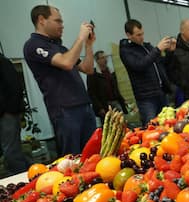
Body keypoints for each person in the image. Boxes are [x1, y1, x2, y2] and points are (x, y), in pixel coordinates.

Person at [23, 5, 97, 157]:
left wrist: (88, 46)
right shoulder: (33, 45)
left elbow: (88, 69)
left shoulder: (60, 47)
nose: (62, 25)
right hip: (65, 110)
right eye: (58, 21)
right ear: (41, 20)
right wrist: (80, 37)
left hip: (84, 105)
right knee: (73, 159)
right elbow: (67, 63)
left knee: (93, 155)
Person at [119, 19, 173, 126]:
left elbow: (161, 63)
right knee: (151, 127)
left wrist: (170, 52)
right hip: (146, 98)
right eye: (138, 35)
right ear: (128, 35)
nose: (142, 37)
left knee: (167, 125)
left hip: (160, 93)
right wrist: (157, 49)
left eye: (142, 33)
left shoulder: (147, 47)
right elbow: (139, 65)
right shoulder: (126, 51)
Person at [0, 53, 32, 177]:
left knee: (11, 151)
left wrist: (8, 110)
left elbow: (14, 86)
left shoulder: (2, 62)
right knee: (12, 150)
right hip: (5, 113)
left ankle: (22, 178)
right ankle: (29, 174)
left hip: (6, 113)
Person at [87, 50, 128, 123]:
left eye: (106, 57)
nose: (105, 59)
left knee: (121, 123)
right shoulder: (93, 74)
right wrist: (99, 108)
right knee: (108, 126)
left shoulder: (111, 72)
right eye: (102, 58)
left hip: (115, 102)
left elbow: (116, 88)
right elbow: (91, 93)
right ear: (97, 60)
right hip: (104, 104)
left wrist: (122, 100)